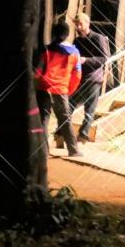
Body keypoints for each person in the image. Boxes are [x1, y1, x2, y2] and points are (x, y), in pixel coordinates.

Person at [34, 18, 82, 157]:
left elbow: (38, 72)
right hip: (61, 90)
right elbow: (77, 74)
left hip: (44, 89)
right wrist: (69, 89)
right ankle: (73, 150)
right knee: (65, 120)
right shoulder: (74, 52)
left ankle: (43, 151)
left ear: (54, 33)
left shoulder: (46, 50)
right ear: (67, 34)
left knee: (43, 120)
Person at [71, 12, 111, 143]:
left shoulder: (98, 38)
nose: (78, 27)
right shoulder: (77, 40)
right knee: (69, 105)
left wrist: (86, 60)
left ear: (87, 23)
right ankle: (61, 132)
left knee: (89, 110)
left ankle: (83, 135)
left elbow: (104, 58)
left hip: (93, 78)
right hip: (78, 78)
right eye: (76, 25)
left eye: (80, 24)